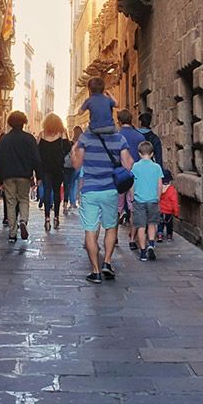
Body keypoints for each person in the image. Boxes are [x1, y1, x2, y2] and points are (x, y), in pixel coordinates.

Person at [72, 117, 128, 283]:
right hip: (110, 189)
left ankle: (95, 271)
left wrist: (75, 149)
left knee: (90, 230)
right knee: (111, 226)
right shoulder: (118, 138)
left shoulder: (85, 138)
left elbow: (76, 164)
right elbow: (128, 163)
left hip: (90, 190)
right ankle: (108, 262)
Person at [0, 110, 43, 244]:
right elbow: (36, 159)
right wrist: (38, 176)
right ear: (24, 123)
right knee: (23, 200)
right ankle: (23, 220)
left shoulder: (5, 140)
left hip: (8, 176)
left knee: (10, 203)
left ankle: (12, 233)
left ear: (10, 123)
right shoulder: (29, 139)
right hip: (24, 176)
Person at [131, 139, 164, 261]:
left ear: (139, 153)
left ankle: (143, 252)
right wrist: (158, 197)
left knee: (140, 226)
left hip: (139, 200)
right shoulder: (156, 167)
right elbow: (159, 184)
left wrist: (132, 196)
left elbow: (132, 183)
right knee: (152, 224)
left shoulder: (135, 166)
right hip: (152, 199)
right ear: (152, 154)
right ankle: (151, 244)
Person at [116, 108, 144, 247]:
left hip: (119, 176)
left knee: (117, 207)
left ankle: (113, 235)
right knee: (133, 206)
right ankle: (132, 239)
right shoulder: (140, 137)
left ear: (119, 121)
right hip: (135, 176)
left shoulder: (116, 136)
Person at [38, 113, 71, 231]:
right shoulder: (61, 134)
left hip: (45, 168)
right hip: (58, 168)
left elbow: (37, 152)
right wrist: (64, 136)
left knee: (47, 191)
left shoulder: (41, 135)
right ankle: (56, 217)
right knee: (57, 191)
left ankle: (47, 218)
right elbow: (68, 148)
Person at [158, 168, 179, 241]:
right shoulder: (171, 189)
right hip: (169, 211)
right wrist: (176, 212)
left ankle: (160, 235)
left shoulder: (158, 189)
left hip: (160, 210)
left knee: (160, 223)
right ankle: (169, 236)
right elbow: (174, 201)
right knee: (169, 224)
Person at [62, 126, 80, 212]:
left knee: (67, 185)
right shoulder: (79, 143)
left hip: (65, 166)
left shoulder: (69, 142)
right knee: (73, 184)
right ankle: (73, 202)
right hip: (75, 165)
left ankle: (66, 202)